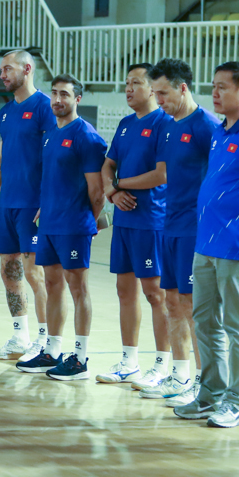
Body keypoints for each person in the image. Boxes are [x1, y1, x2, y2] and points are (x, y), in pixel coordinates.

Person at [174, 62, 239, 428]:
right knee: (203, 320)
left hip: (238, 246)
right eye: (214, 87)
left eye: (222, 88)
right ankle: (210, 394)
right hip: (206, 245)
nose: (215, 94)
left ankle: (237, 401)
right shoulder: (220, 132)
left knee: (238, 326)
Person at [16, 74, 106, 380]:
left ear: (77, 99)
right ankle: (52, 351)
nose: (57, 100)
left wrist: (86, 222)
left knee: (78, 288)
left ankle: (80, 358)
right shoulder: (51, 134)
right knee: (52, 284)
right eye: (54, 93)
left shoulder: (87, 137)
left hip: (74, 226)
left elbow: (97, 192)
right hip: (50, 224)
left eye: (65, 94)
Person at [143, 59, 220, 405]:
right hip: (169, 225)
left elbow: (222, 180)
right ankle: (181, 375)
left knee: (192, 307)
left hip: (195, 229)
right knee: (172, 302)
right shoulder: (168, 127)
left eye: (162, 92)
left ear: (183, 88)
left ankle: (206, 385)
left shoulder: (206, 126)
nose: (157, 99)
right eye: (154, 92)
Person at [97, 63, 171, 387]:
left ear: (153, 88)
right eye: (126, 83)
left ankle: (164, 364)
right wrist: (112, 191)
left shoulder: (164, 123)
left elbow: (162, 173)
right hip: (125, 221)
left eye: (136, 83)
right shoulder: (126, 124)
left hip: (151, 220)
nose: (128, 89)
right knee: (123, 290)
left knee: (155, 293)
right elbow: (107, 165)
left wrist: (121, 183)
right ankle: (129, 361)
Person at [0, 50, 54, 361]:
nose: (2, 75)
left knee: (34, 272)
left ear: (27, 69)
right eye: (1, 70)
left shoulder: (45, 108)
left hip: (33, 205)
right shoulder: (5, 113)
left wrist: (48, 200)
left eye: (7, 69)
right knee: (9, 269)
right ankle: (19, 335)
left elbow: (55, 159)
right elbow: (0, 160)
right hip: (9, 205)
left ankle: (45, 339)